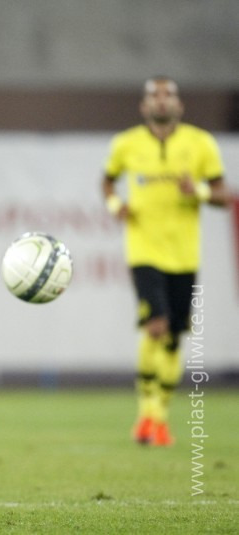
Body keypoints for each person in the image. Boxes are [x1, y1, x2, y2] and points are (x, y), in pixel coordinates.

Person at [102, 76, 228, 447]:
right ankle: (147, 415)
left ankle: (160, 418)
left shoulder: (201, 144)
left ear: (179, 105)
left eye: (168, 94)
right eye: (154, 95)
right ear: (144, 106)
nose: (161, 100)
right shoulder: (126, 144)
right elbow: (107, 183)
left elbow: (223, 195)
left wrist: (198, 190)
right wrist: (116, 205)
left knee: (173, 336)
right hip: (144, 250)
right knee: (154, 326)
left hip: (184, 254)